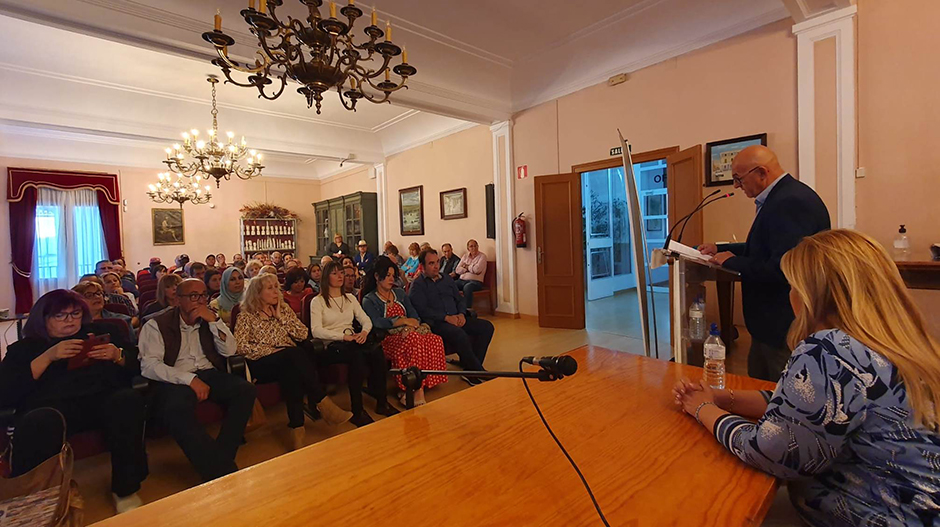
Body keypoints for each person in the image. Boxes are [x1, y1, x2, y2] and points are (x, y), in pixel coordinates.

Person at [673, 229, 940, 527]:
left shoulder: (831, 349)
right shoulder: (903, 344)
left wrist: (702, 408)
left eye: (792, 285)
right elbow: (807, 407)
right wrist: (724, 398)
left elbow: (771, 452)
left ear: (814, 294)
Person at [0, 290, 147, 513]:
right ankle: (42, 499)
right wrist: (48, 357)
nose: (70, 320)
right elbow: (6, 392)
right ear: (43, 319)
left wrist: (117, 356)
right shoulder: (26, 347)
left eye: (75, 313)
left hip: (101, 400)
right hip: (52, 407)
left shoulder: (103, 332)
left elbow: (140, 367)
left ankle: (125, 489)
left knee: (127, 400)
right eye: (60, 316)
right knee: (42, 420)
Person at [698, 145, 830, 381]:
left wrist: (734, 262)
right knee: (757, 382)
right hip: (767, 324)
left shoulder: (790, 202)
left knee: (778, 390)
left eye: (738, 179)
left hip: (782, 323)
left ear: (761, 172)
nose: (737, 186)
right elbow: (765, 248)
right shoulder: (783, 196)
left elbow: (782, 268)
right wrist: (722, 249)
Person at [139, 279, 256, 482]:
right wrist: (189, 379)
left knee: (245, 390)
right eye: (194, 296)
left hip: (208, 371)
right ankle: (221, 470)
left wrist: (214, 322)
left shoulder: (210, 318)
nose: (200, 301)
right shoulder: (156, 324)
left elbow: (230, 350)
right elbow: (149, 366)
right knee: (175, 408)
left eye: (203, 295)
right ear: (178, 300)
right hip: (175, 377)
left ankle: (220, 457)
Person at [235, 274, 352, 450]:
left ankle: (297, 429)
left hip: (287, 360)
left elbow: (303, 334)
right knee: (294, 355)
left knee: (292, 372)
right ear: (257, 293)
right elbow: (241, 347)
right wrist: (273, 351)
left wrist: (281, 317)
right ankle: (322, 402)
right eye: (270, 288)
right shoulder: (246, 316)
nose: (276, 291)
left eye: (276, 287)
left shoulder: (284, 310)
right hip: (260, 363)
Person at [309, 261, 396, 427]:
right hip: (331, 345)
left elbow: (365, 320)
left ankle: (382, 402)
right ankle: (358, 410)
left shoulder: (349, 298)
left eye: (341, 272)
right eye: (335, 273)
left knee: (376, 350)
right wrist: (343, 337)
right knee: (356, 355)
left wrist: (364, 333)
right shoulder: (318, 301)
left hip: (352, 340)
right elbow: (316, 331)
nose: (340, 276)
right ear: (326, 277)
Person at [362, 257, 447, 406]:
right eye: (387, 276)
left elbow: (413, 314)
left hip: (408, 332)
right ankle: (413, 387)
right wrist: (399, 321)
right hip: (386, 337)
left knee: (434, 339)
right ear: (377, 277)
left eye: (393, 276)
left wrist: (410, 325)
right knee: (413, 340)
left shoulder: (399, 293)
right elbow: (375, 321)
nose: (391, 279)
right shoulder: (370, 299)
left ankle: (421, 383)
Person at [408, 249, 494, 386]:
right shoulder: (418, 285)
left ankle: (470, 370)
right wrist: (446, 317)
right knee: (459, 334)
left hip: (457, 317)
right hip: (438, 323)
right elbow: (421, 310)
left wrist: (461, 314)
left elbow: (459, 299)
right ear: (422, 267)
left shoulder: (446, 278)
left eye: (437, 262)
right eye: (431, 263)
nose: (436, 266)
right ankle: (478, 371)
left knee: (487, 327)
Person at [73, 280, 137, 340]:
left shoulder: (122, 320)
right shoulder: (71, 323)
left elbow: (131, 349)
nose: (97, 297)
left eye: (98, 293)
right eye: (89, 295)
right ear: (78, 301)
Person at [453, 240, 487, 309]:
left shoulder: (482, 257)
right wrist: (470, 268)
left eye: (475, 246)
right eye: (471, 246)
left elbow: (477, 270)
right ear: (468, 248)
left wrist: (466, 266)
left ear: (478, 247)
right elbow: (457, 270)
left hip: (475, 282)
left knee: (467, 287)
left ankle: (467, 310)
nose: (474, 248)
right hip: (462, 280)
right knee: (451, 285)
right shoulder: (465, 256)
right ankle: (454, 308)